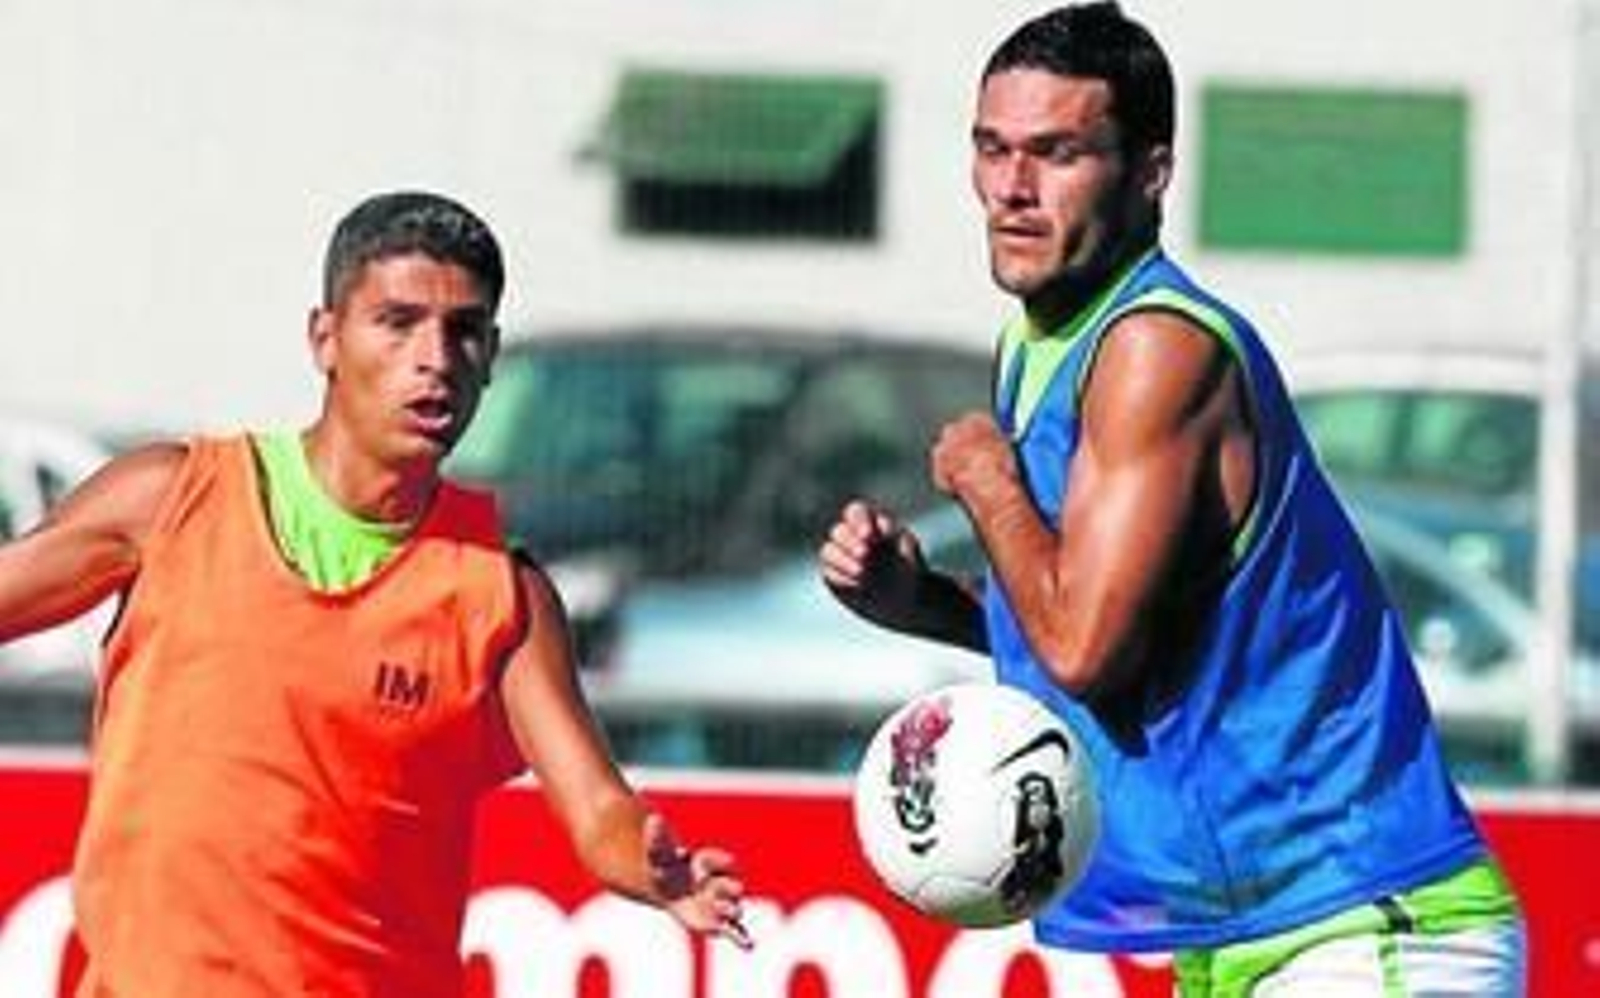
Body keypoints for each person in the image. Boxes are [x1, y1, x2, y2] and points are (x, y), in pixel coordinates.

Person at [819, 5, 1524, 995]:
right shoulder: (1038, 346)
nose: (1012, 190)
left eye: (1056, 153)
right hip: (1237, 937)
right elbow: (1125, 627)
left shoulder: (1157, 348)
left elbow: (1083, 646)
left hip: (1362, 924)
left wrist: (988, 481)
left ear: (1149, 170)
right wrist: (924, 602)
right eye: (992, 149)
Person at [0, 190, 749, 995]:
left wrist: (650, 862)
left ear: (491, 354)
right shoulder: (170, 499)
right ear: (325, 338)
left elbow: (598, 810)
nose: (435, 357)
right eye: (397, 322)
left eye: (463, 331)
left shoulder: (503, 593)